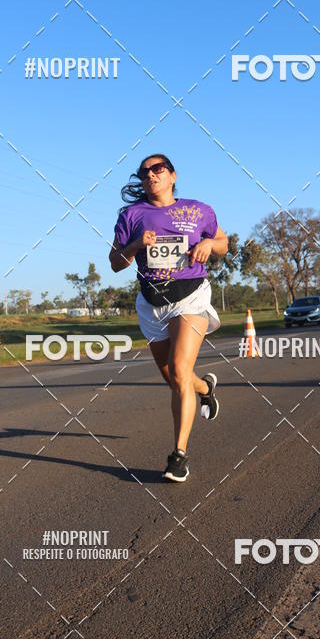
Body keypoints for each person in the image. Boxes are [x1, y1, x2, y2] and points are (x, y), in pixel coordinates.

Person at [109, 154, 228, 483]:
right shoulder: (131, 215)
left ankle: (179, 456)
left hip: (189, 296)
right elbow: (115, 262)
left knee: (178, 371)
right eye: (144, 172)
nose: (150, 175)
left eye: (157, 169)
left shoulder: (198, 210)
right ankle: (205, 388)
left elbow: (223, 243)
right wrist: (135, 244)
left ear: (173, 175)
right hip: (151, 303)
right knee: (174, 378)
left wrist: (207, 243)